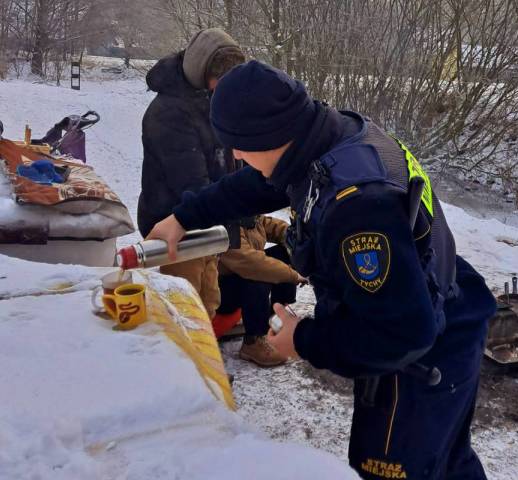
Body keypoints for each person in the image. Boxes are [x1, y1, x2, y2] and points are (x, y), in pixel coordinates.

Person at [147, 61, 497, 479]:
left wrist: (304, 339)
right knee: (448, 462)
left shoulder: (359, 208)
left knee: (393, 468)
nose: (236, 155)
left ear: (270, 135)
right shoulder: (327, 138)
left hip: (422, 354)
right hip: (442, 298)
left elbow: (403, 334)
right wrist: (184, 216)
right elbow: (257, 184)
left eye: (239, 144)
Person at [137, 28, 244, 318]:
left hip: (208, 223)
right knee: (183, 311)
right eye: (220, 81)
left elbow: (231, 156)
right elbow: (192, 183)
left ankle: (202, 357)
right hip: (177, 228)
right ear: (201, 72)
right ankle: (180, 362)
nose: (226, 89)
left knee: (208, 301)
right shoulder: (169, 113)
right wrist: (235, 206)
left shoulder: (210, 101)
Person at [217, 214, 306, 367]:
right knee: (259, 275)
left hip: (239, 279)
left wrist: (293, 236)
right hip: (220, 296)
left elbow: (270, 225)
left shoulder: (248, 216)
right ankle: (254, 340)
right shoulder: (226, 226)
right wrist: (294, 275)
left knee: (286, 252)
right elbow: (253, 264)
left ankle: (277, 315)